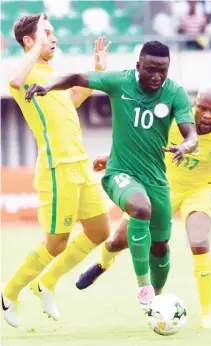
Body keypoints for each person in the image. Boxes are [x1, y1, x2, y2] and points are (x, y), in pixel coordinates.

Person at [75, 86, 211, 328]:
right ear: (195, 105)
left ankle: (207, 315)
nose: (206, 115)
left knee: (199, 241)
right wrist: (110, 156)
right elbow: (140, 143)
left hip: (200, 191)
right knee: (117, 242)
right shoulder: (173, 122)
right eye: (202, 108)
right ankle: (103, 264)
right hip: (162, 186)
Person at [24, 40, 199, 311]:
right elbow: (77, 77)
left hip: (156, 179)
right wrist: (49, 86)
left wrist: (185, 146)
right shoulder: (120, 81)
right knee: (141, 209)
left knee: (161, 245)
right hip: (120, 173)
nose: (156, 76)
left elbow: (191, 135)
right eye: (150, 69)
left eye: (162, 70)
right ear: (138, 65)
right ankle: (144, 288)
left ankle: (158, 299)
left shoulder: (174, 92)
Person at [2, 14, 112, 328]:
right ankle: (9, 293)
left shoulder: (51, 73)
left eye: (52, 33)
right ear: (28, 41)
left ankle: (46, 283)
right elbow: (13, 82)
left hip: (81, 164)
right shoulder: (23, 69)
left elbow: (72, 99)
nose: (53, 38)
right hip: (56, 168)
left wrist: (98, 72)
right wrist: (35, 48)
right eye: (46, 33)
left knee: (99, 233)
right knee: (56, 243)